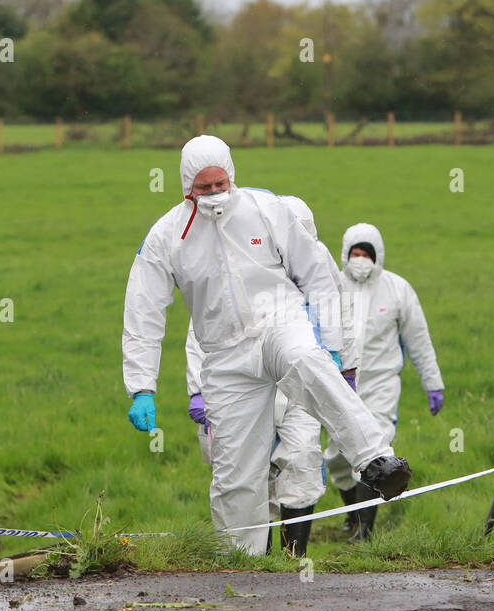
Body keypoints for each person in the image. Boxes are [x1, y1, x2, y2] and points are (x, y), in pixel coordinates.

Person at [122, 135, 408, 555]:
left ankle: (376, 460)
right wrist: (141, 386)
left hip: (279, 321)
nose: (215, 194)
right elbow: (143, 312)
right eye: (204, 188)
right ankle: (244, 564)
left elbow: (317, 275)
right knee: (234, 472)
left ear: (232, 176)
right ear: (186, 186)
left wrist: (337, 351)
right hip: (224, 356)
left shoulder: (266, 209)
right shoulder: (167, 237)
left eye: (221, 184)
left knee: (303, 358)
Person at [183, 191, 358, 557]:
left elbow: (341, 315)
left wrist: (347, 370)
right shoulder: (237, 265)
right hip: (246, 382)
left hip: (302, 384)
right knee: (247, 472)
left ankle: (293, 560)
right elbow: (203, 329)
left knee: (302, 460)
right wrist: (198, 388)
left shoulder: (319, 264)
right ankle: (252, 561)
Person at [324, 223, 444, 542]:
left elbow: (418, 339)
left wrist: (433, 382)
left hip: (380, 385)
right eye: (354, 253)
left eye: (366, 253)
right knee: (336, 459)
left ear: (378, 256)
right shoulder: (329, 286)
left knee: (373, 452)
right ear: (345, 254)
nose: (360, 259)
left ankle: (366, 530)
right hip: (340, 388)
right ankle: (351, 514)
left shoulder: (397, 289)